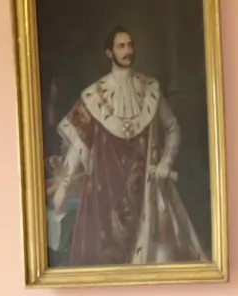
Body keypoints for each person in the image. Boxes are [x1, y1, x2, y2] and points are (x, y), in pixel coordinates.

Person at [49, 25, 206, 266]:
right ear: (109, 53)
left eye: (130, 45)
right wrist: (64, 184)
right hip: (105, 191)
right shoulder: (94, 95)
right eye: (121, 46)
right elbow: (79, 143)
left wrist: (165, 163)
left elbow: (173, 129)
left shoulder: (150, 89)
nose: (128, 50)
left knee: (160, 257)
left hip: (147, 188)